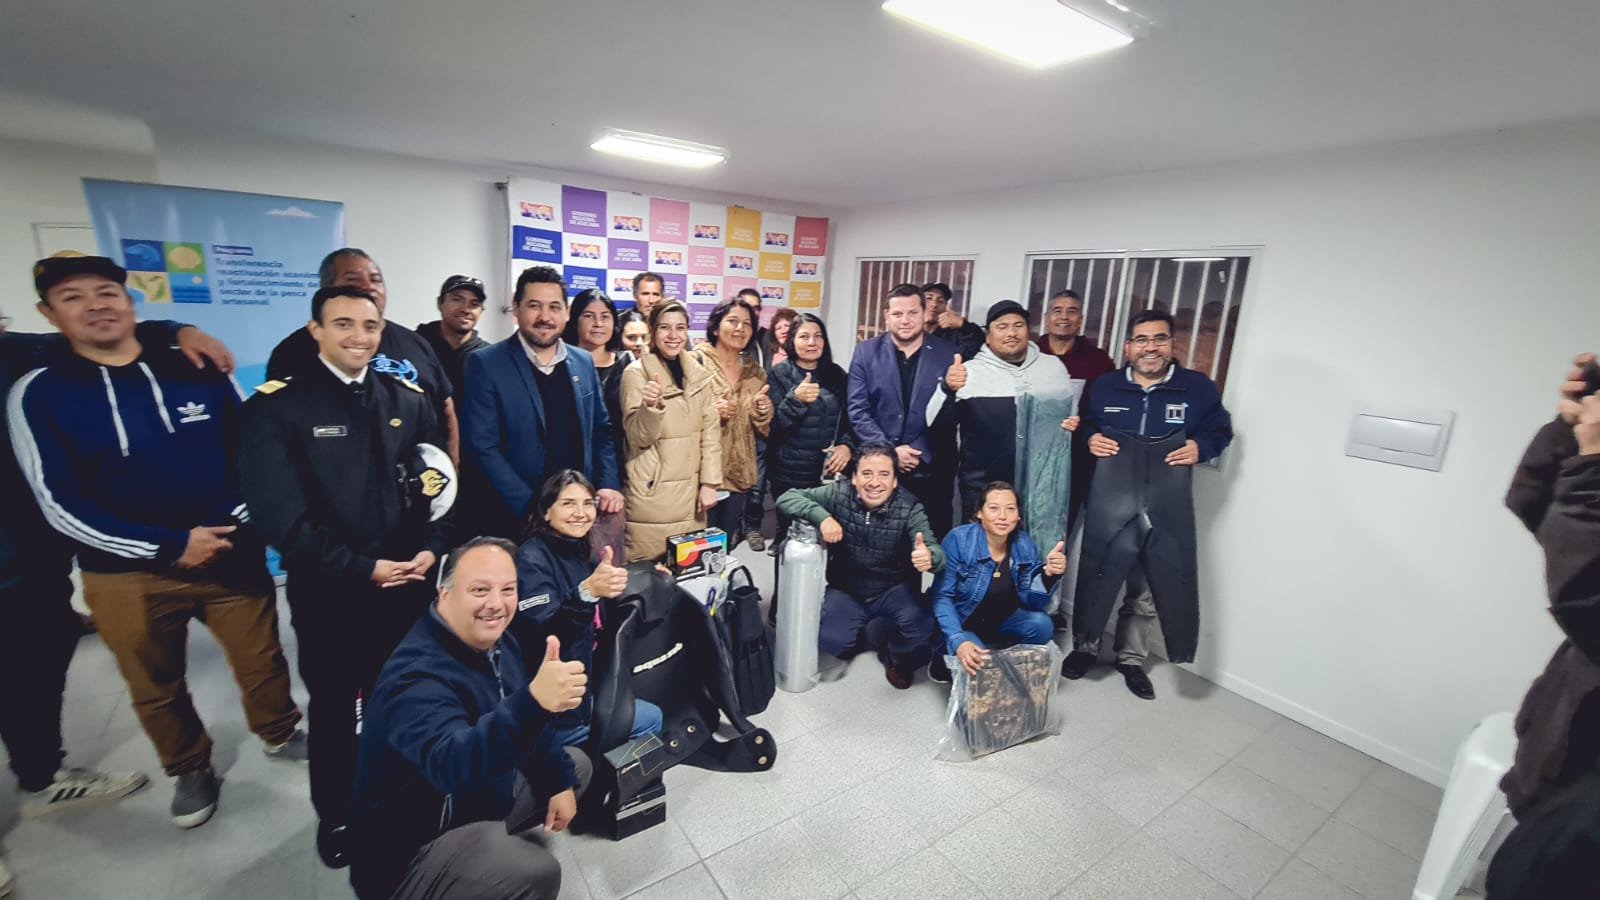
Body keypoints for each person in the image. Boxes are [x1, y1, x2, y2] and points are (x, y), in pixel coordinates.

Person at [9, 254, 306, 829]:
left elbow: (251, 456)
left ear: (130, 302)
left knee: (263, 659)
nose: (95, 305)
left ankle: (279, 731)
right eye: (72, 297)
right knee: (154, 682)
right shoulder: (38, 392)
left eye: (106, 292)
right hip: (125, 571)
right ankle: (189, 767)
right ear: (48, 314)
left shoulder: (195, 365)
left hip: (229, 551)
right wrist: (168, 546)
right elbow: (56, 501)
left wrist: (227, 524)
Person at [239, 284, 456, 866]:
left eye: (369, 325)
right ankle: (338, 814)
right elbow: (281, 520)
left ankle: (408, 797)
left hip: (406, 588)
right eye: (343, 324)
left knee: (406, 696)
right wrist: (363, 569)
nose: (359, 337)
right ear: (315, 331)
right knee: (336, 708)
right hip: (331, 593)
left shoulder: (408, 399)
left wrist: (432, 548)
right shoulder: (277, 407)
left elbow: (437, 487)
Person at [348, 537, 590, 900]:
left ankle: (483, 850)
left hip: (467, 802)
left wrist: (557, 780)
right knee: (536, 872)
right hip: (409, 849)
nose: (496, 604)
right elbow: (452, 764)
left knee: (574, 768)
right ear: (444, 594)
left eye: (508, 590)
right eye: (479, 590)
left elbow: (526, 724)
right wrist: (534, 702)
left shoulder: (497, 641)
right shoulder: (415, 677)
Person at [1063, 309, 1233, 699]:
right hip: (1111, 495)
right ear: (1128, 347)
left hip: (1164, 497)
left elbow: (1221, 429)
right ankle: (1085, 648)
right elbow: (1085, 423)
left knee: (1148, 584)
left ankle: (1131, 659)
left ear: (1172, 345)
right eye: (1141, 340)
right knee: (1097, 573)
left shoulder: (1196, 388)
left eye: (1159, 339)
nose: (1150, 347)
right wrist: (1089, 438)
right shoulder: (1106, 386)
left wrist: (1201, 447)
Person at [1498, 353, 1600, 821]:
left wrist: (1592, 466)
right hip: (1554, 765)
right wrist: (1568, 434)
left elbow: (1585, 601)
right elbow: (1532, 505)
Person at [459, 267, 622, 541]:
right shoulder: (485, 364)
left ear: (566, 312)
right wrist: (534, 508)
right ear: (516, 307)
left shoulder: (583, 362)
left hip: (576, 518)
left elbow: (601, 431)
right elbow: (481, 447)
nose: (545, 317)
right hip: (514, 519)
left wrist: (607, 483)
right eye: (534, 306)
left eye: (554, 307)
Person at [776, 442, 946, 689]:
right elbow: (787, 498)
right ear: (854, 478)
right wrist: (822, 518)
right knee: (831, 641)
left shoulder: (910, 507)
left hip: (893, 588)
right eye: (867, 473)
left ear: (895, 481)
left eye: (884, 474)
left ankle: (894, 653)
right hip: (847, 587)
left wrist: (929, 557)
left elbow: (933, 550)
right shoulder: (838, 493)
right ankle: (857, 632)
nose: (875, 483)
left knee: (922, 627)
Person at [512, 471, 663, 747]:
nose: (580, 513)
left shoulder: (580, 550)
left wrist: (649, 576)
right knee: (651, 719)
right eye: (568, 504)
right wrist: (587, 593)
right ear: (546, 512)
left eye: (587, 503)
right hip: (558, 708)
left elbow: (602, 606)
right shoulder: (531, 561)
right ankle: (589, 769)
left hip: (589, 678)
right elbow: (543, 634)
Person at [266, 248, 458, 462]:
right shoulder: (293, 351)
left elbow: (445, 407)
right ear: (327, 289)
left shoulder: (416, 343)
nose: (369, 287)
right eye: (353, 280)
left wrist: (451, 468)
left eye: (375, 280)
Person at [936, 300, 1077, 519]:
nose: (1011, 333)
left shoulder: (1053, 368)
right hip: (982, 491)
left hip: (1041, 490)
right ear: (988, 336)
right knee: (981, 542)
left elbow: (1070, 417)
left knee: (1037, 542)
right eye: (1002, 327)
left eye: (1018, 325)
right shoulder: (968, 372)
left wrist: (1071, 423)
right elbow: (935, 425)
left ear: (1028, 331)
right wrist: (947, 388)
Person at [847, 283, 959, 538]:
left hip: (931, 466)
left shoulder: (948, 354)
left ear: (924, 313)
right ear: (886, 316)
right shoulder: (865, 352)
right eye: (898, 314)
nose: (905, 320)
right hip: (879, 467)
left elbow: (950, 412)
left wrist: (918, 449)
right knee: (877, 541)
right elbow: (857, 409)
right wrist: (890, 452)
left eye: (912, 313)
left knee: (928, 542)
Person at [618, 301, 723, 562]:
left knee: (689, 571)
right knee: (649, 575)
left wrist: (709, 483)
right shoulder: (636, 373)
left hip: (692, 496)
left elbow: (710, 433)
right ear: (653, 331)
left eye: (680, 327)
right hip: (653, 496)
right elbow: (637, 437)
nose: (673, 335)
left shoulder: (698, 374)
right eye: (665, 327)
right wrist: (650, 407)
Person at [931, 483, 1066, 677]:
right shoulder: (958, 540)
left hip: (1002, 618)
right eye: (994, 508)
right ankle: (943, 655)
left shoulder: (1024, 544)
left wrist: (1049, 575)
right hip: (964, 622)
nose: (1003, 516)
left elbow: (1032, 602)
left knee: (1041, 624)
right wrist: (958, 640)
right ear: (979, 513)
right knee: (978, 668)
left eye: (1010, 509)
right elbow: (942, 596)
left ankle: (1003, 653)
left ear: (1018, 516)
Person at [766, 313, 852, 614]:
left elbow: (851, 420)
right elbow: (770, 429)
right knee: (791, 541)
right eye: (804, 336)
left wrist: (847, 446)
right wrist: (795, 401)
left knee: (832, 538)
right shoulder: (779, 374)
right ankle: (783, 606)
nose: (811, 342)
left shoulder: (836, 375)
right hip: (790, 475)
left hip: (829, 475)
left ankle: (822, 608)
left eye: (818, 336)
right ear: (792, 341)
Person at [695, 298, 772, 550]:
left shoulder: (755, 371)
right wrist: (710, 412)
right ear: (716, 327)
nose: (740, 328)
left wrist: (762, 410)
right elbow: (678, 417)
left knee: (724, 547)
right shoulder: (694, 363)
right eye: (733, 321)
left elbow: (762, 426)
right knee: (694, 549)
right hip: (699, 475)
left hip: (737, 475)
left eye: (747, 324)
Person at [1036, 290, 1117, 528]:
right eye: (1057, 311)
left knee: (1061, 525)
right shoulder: (1030, 354)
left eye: (1071, 312)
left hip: (1076, 457)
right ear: (1046, 318)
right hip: (1031, 453)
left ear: (1080, 320)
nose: (1064, 317)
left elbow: (1105, 411)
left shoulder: (1098, 361)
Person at [563, 288, 634, 492]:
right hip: (572, 465)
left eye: (605, 316)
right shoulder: (561, 363)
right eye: (588, 316)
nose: (598, 323)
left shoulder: (627, 363)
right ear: (574, 320)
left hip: (620, 466)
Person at [732, 288, 773, 549]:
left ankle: (753, 528)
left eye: (756, 308)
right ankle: (735, 528)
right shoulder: (728, 339)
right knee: (733, 484)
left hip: (759, 422)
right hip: (731, 425)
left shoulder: (765, 338)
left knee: (757, 483)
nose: (752, 312)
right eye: (746, 306)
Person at [415, 274, 489, 397]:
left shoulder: (488, 357)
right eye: (457, 300)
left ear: (481, 311)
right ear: (440, 303)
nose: (465, 309)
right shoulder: (414, 346)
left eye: (474, 304)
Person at [923, 282, 984, 359]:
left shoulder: (953, 335)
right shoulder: (910, 331)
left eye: (940, 301)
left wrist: (963, 324)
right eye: (929, 298)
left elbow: (974, 347)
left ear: (946, 306)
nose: (934, 304)